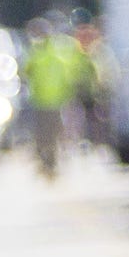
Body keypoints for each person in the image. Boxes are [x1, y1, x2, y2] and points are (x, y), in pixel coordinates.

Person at [22, 20, 92, 180]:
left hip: (50, 102)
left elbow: (27, 72)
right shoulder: (44, 54)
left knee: (49, 136)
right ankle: (47, 162)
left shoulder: (43, 54)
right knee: (46, 136)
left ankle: (50, 164)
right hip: (45, 102)